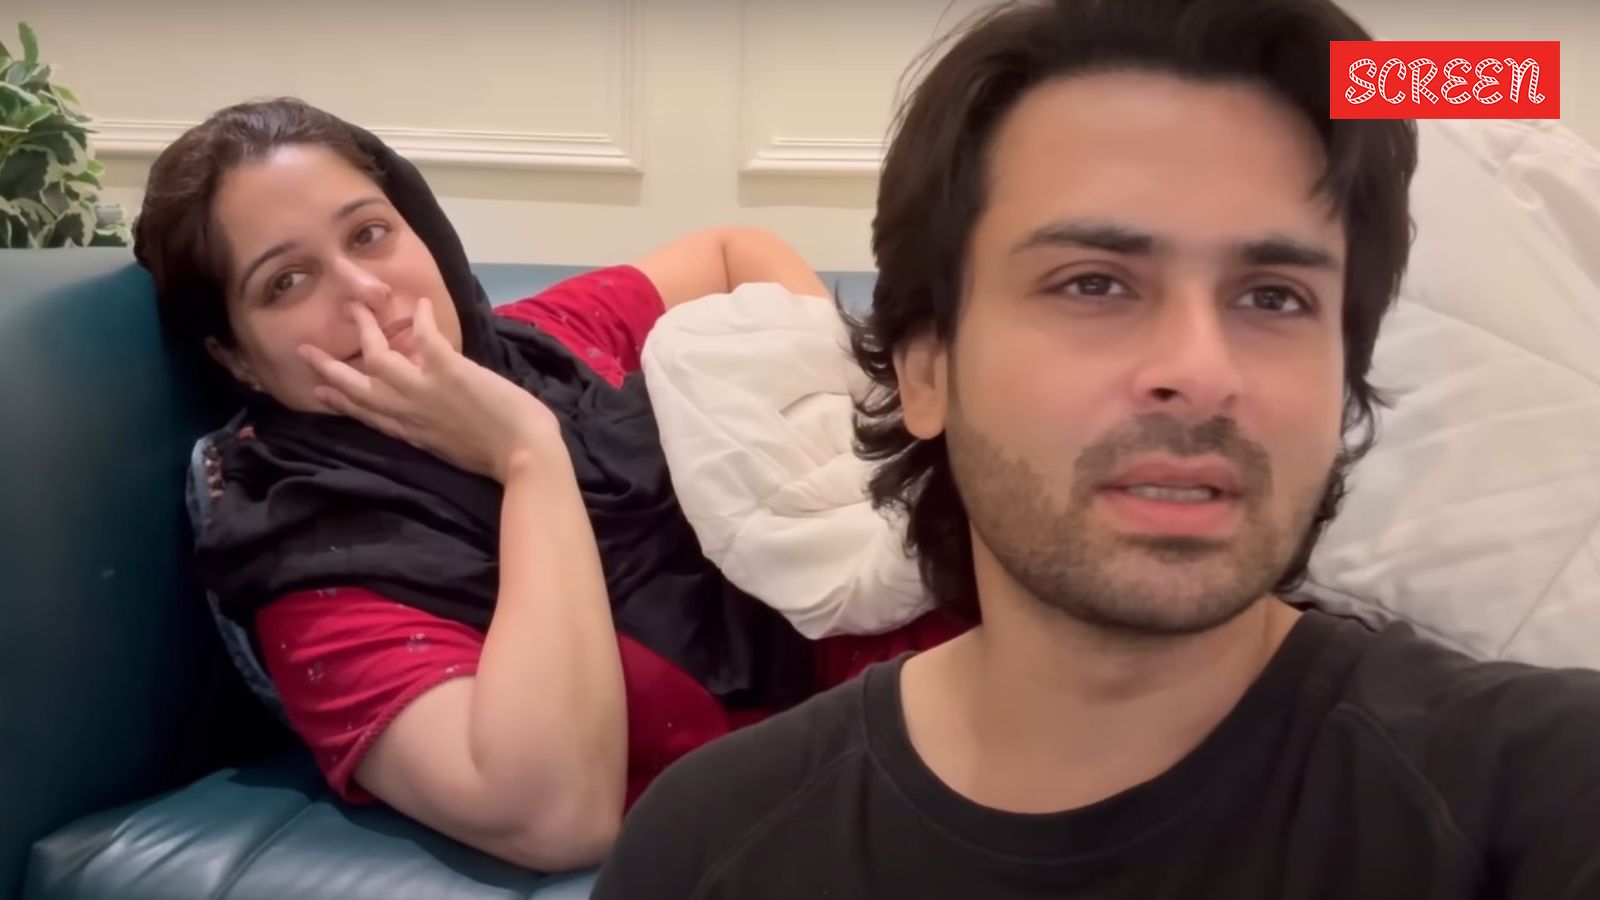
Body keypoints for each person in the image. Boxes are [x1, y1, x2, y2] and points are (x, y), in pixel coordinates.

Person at [592, 0, 1600, 897]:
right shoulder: (707, 846)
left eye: (1273, 297)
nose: (1200, 371)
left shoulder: (1545, 786)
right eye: (1094, 284)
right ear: (926, 369)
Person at [133, 98, 963, 871]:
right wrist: (527, 455)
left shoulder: (540, 343)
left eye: (370, 234)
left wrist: (830, 408)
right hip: (884, 781)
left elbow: (731, 252)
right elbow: (557, 816)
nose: (366, 293)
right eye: (287, 282)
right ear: (238, 357)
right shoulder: (315, 570)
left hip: (972, 640)